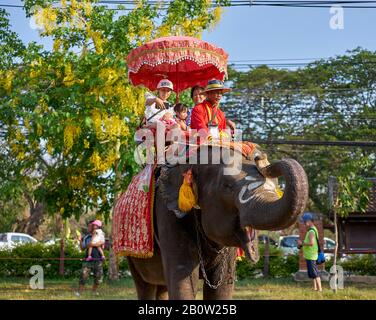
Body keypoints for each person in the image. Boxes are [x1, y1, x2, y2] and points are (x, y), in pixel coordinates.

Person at [75, 220, 105, 296]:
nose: (88, 227)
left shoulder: (100, 234)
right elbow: (82, 248)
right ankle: (79, 292)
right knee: (83, 275)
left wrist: (92, 244)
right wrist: (80, 240)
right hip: (88, 259)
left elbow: (101, 243)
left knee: (98, 277)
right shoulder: (86, 237)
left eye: (90, 226)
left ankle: (94, 292)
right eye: (88, 226)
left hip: (98, 260)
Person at [297, 213, 323, 292]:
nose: (304, 224)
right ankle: (315, 288)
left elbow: (311, 243)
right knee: (312, 273)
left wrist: (302, 243)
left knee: (315, 273)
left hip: (312, 255)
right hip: (310, 255)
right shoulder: (311, 230)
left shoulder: (311, 231)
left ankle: (320, 289)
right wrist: (302, 243)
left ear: (308, 221)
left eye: (304, 222)